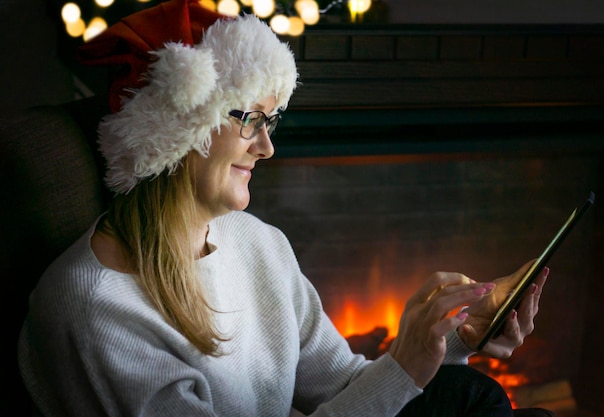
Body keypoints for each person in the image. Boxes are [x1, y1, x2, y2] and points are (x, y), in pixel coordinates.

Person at [17, 1, 554, 416]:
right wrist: (408, 366)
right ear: (180, 126)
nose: (266, 147)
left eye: (270, 123)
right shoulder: (95, 310)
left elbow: (344, 385)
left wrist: (451, 338)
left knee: (472, 395)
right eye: (251, 119)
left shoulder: (258, 243)